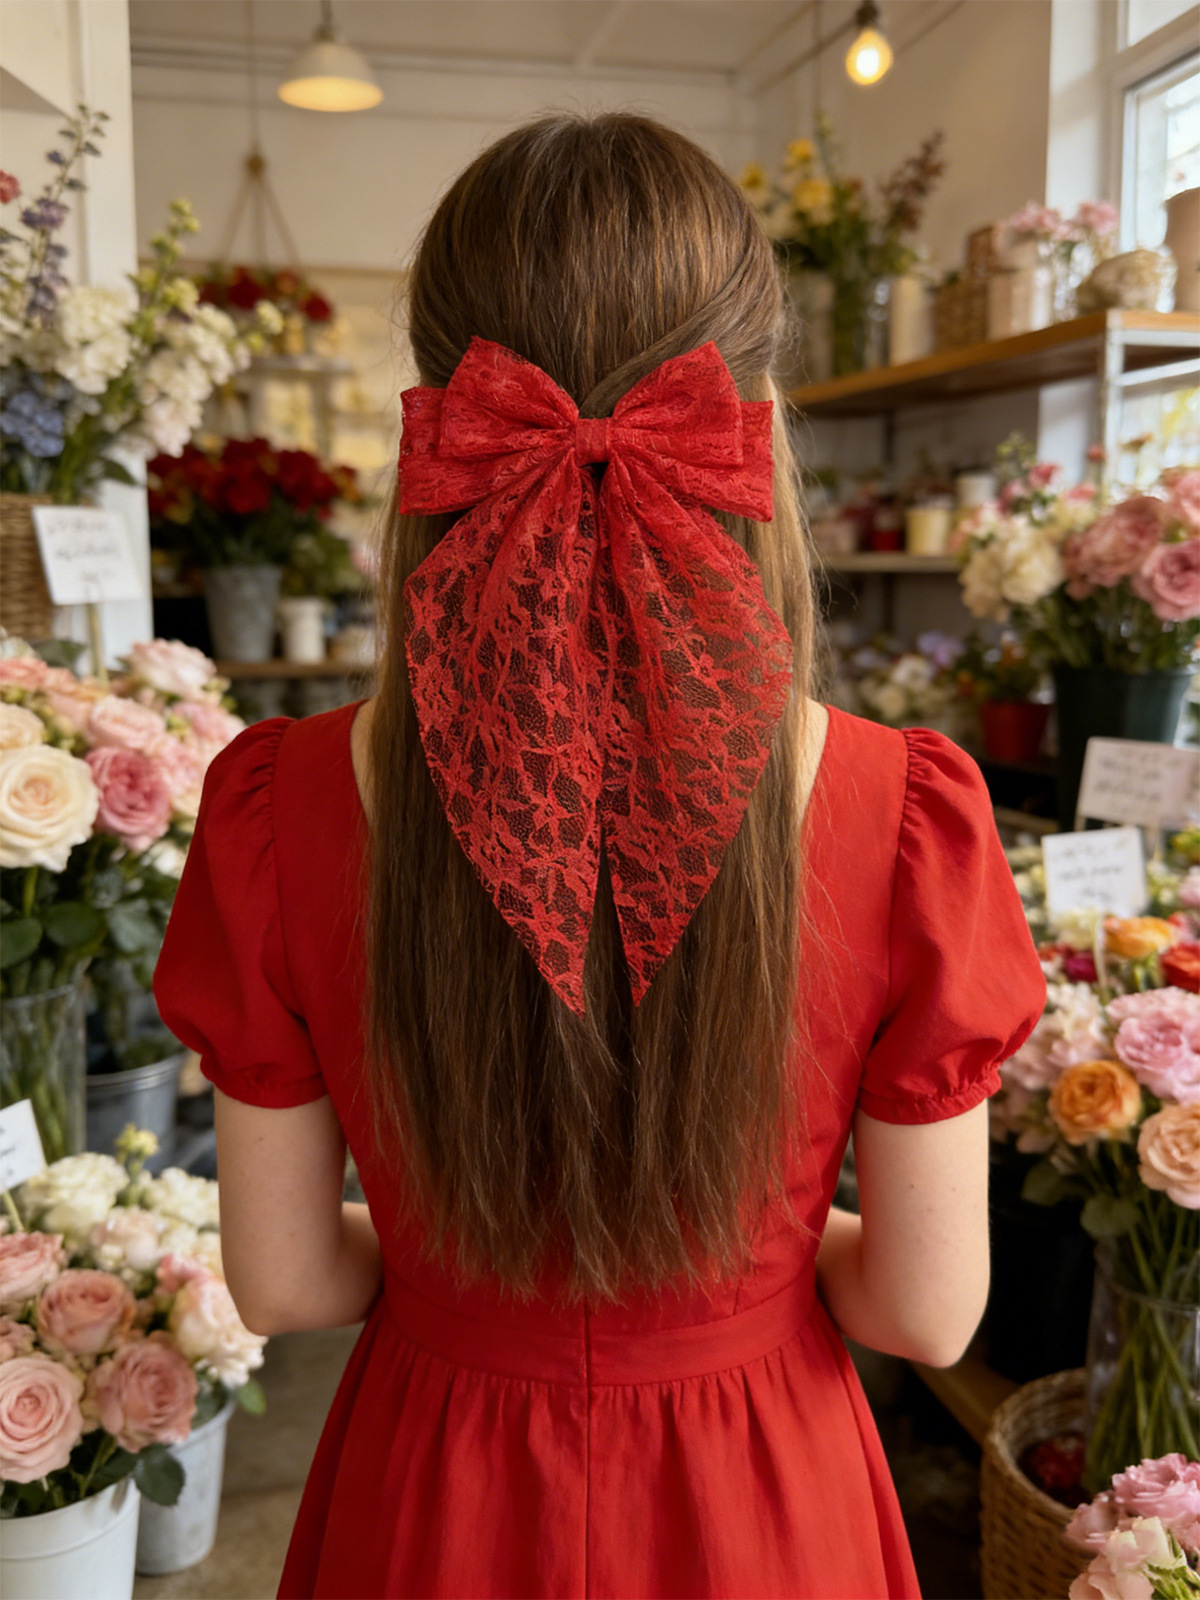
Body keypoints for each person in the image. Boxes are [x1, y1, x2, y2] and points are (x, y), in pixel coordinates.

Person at [154, 113, 1046, 1600]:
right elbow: (926, 1313)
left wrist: (442, 1257)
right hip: (764, 1501)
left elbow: (287, 1281)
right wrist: (761, 1256)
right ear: (752, 413)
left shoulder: (279, 802)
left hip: (432, 1493)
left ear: (436, 418)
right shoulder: (902, 813)